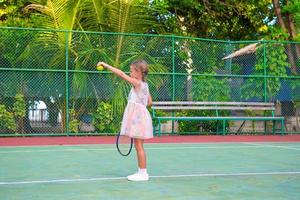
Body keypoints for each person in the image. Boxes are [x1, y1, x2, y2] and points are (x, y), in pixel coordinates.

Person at [96, 60, 153, 181]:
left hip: (138, 118)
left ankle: (143, 174)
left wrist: (106, 65)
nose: (130, 73)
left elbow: (121, 74)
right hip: (141, 117)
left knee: (139, 146)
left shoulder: (137, 83)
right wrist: (139, 109)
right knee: (139, 146)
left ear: (138, 72)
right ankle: (142, 172)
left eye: (132, 71)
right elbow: (150, 103)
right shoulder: (145, 85)